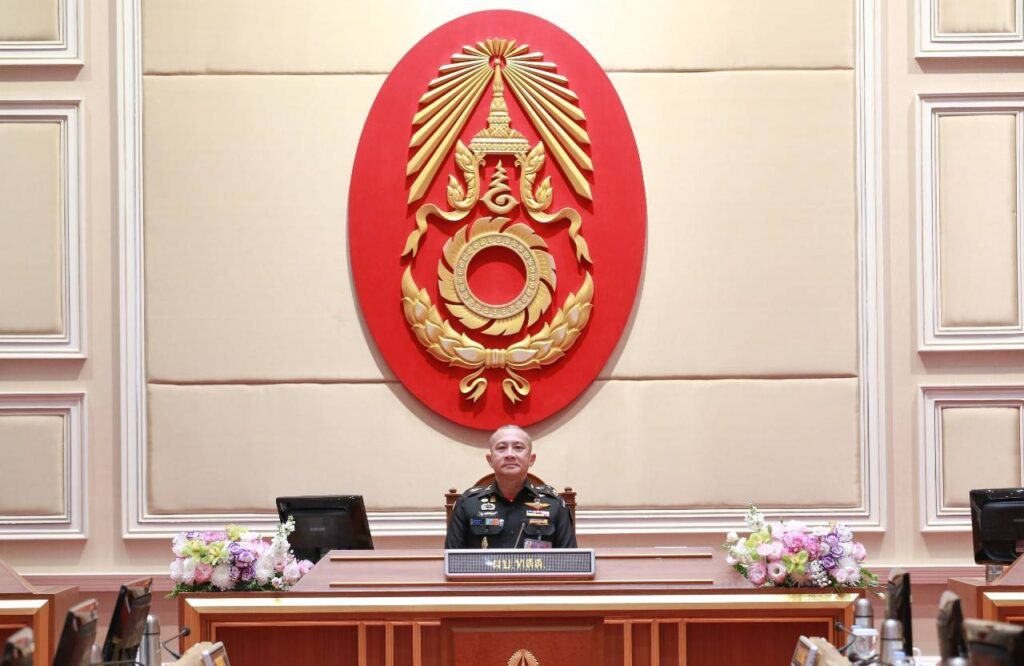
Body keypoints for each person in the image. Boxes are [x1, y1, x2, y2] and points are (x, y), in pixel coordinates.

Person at [445, 424, 577, 549]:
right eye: (501, 448)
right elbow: (452, 559)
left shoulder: (555, 504)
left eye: (518, 447)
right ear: (490, 460)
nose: (509, 454)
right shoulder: (467, 504)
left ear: (531, 459)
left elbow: (570, 560)